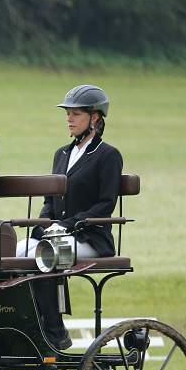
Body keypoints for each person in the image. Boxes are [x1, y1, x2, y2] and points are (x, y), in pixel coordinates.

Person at [17, 85, 123, 349]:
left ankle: (55, 331)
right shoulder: (61, 154)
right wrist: (43, 224)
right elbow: (49, 200)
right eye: (68, 114)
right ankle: (29, 323)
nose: (69, 119)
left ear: (95, 118)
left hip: (91, 237)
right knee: (16, 252)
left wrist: (68, 226)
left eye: (76, 114)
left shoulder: (108, 156)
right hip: (58, 234)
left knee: (43, 254)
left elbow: (106, 204)